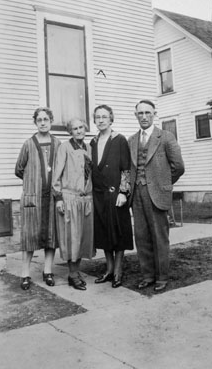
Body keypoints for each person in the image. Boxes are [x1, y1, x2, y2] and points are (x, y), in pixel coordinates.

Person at [128, 100, 185, 292]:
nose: (144, 116)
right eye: (140, 113)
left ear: (154, 114)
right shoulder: (132, 140)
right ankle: (148, 275)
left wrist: (164, 185)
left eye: (147, 113)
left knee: (159, 237)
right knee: (142, 236)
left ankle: (162, 277)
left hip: (157, 194)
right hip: (137, 193)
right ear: (136, 115)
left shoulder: (166, 137)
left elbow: (178, 167)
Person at [15, 107, 61, 290]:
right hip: (33, 199)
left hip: (51, 198)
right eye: (39, 120)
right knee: (30, 236)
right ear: (35, 122)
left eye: (46, 119)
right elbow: (19, 169)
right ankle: (25, 273)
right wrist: (33, 182)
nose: (43, 122)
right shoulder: (28, 144)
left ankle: (47, 271)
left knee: (51, 236)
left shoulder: (58, 144)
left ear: (51, 121)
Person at [90, 105, 133, 288]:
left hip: (116, 194)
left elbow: (126, 167)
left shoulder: (119, 140)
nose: (101, 120)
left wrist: (123, 192)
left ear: (111, 119)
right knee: (103, 232)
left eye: (104, 117)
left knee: (118, 232)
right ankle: (108, 270)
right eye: (98, 117)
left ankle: (118, 271)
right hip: (99, 195)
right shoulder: (92, 142)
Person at [52, 117, 94, 291]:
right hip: (69, 198)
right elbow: (56, 175)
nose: (78, 131)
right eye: (75, 129)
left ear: (85, 129)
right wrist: (59, 198)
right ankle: (73, 275)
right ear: (70, 132)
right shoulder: (65, 147)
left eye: (81, 128)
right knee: (72, 237)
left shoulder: (90, 148)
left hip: (86, 199)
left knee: (83, 237)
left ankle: (77, 271)